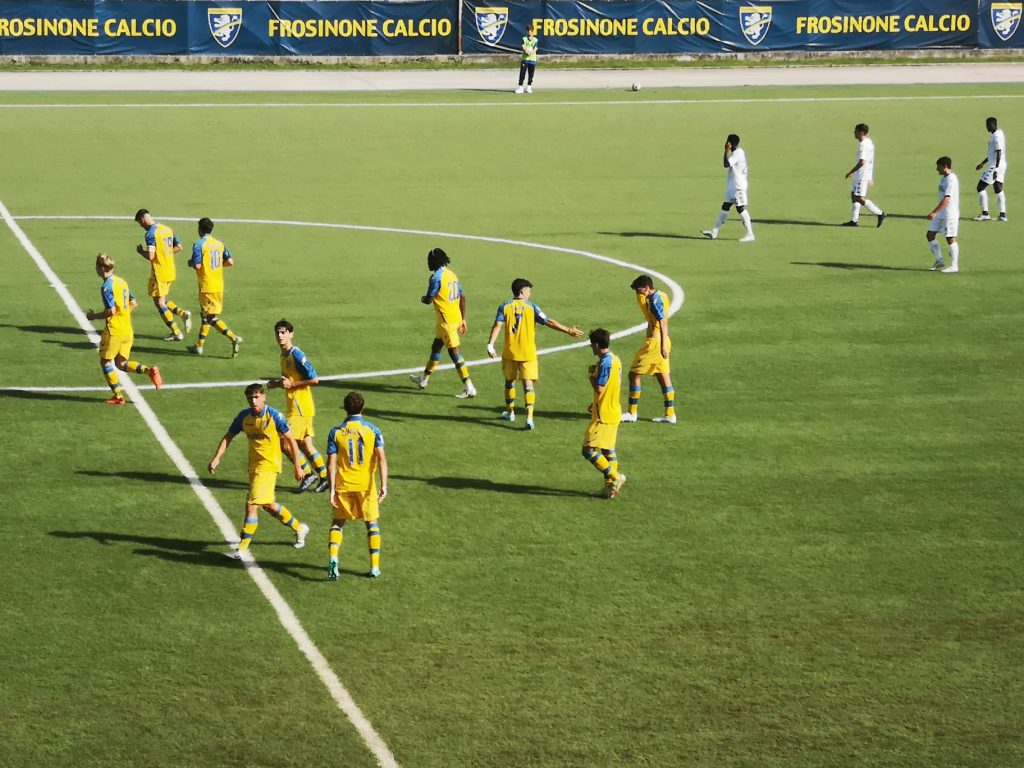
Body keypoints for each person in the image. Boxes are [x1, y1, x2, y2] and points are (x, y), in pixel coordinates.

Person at [208, 382, 309, 559]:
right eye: (250, 398)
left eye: (256, 397)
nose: (253, 401)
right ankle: (299, 528)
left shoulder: (274, 416)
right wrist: (217, 458)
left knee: (251, 505)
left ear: (263, 397)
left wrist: (298, 466)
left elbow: (291, 441)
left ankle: (241, 549)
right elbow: (228, 437)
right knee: (268, 505)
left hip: (269, 466)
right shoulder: (244, 417)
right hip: (254, 467)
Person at [486, 278, 583, 430]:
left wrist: (490, 345)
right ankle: (529, 418)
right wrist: (568, 330)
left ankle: (510, 413)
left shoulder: (504, 306)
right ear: (521, 291)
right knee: (528, 384)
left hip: (510, 352)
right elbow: (548, 322)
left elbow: (498, 325)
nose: (530, 293)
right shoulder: (532, 307)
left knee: (509, 382)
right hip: (528, 353)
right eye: (529, 291)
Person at [326, 391, 388, 581]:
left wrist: (331, 490)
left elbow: (331, 464)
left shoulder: (335, 432)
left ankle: (333, 559)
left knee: (337, 524)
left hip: (343, 484)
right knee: (372, 524)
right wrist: (384, 485)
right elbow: (382, 460)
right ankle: (375, 567)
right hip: (366, 486)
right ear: (363, 408)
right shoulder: (373, 431)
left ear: (345, 408)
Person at [85, 253, 163, 405]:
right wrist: (123, 314)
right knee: (121, 363)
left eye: (96, 266)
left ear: (102, 268)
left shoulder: (106, 287)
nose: (96, 269)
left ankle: (118, 396)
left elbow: (111, 311)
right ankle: (149, 371)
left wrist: (94, 316)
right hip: (127, 329)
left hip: (114, 331)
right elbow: (133, 303)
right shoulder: (122, 282)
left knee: (105, 363)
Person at [268, 319, 330, 494]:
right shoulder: (283, 356)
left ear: (291, 334)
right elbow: (289, 380)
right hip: (295, 406)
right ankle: (325, 477)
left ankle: (308, 474)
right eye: (277, 333)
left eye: (283, 332)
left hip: (300, 407)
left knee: (284, 441)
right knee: (304, 445)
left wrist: (292, 385)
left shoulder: (296, 355)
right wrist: (277, 384)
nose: (280, 336)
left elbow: (314, 379)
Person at [410, 248, 477, 398]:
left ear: (435, 261)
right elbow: (462, 296)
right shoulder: (451, 274)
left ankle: (469, 387)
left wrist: (423, 299)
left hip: (447, 323)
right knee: (436, 347)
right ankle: (424, 379)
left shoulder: (436, 278)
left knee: (455, 354)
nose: (428, 263)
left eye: (429, 260)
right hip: (452, 319)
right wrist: (463, 318)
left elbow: (428, 299)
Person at [620, 275, 675, 425]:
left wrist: (662, 345)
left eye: (639, 290)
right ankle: (670, 414)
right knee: (662, 376)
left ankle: (632, 413)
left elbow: (662, 323)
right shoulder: (662, 295)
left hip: (654, 344)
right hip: (661, 342)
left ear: (646, 287)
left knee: (633, 374)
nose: (638, 293)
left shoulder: (654, 301)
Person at [187, 217, 242, 357]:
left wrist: (190, 263)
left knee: (210, 318)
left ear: (200, 229)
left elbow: (197, 265)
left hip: (207, 286)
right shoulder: (219, 244)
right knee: (206, 315)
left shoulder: (199, 244)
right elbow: (230, 262)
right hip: (218, 285)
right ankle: (199, 345)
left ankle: (233, 338)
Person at [134, 208, 191, 341]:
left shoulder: (150, 234)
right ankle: (182, 314)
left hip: (159, 272)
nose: (141, 226)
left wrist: (141, 252)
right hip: (170, 270)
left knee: (159, 303)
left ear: (142, 219)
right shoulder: (167, 229)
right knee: (159, 300)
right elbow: (179, 247)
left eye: (140, 223)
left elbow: (151, 256)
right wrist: (165, 253)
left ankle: (176, 332)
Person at [582, 328, 626, 499]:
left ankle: (615, 478)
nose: (590, 347)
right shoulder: (616, 359)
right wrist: (594, 403)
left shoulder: (605, 363)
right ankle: (609, 489)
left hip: (603, 416)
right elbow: (611, 387)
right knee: (608, 450)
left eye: (591, 344)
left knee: (588, 450)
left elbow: (600, 388)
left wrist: (591, 376)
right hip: (613, 410)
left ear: (596, 345)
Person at [701, 134, 755, 242]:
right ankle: (714, 232)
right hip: (732, 186)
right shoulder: (736, 153)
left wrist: (726, 151)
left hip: (738, 187)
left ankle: (750, 234)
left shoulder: (738, 153)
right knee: (725, 207)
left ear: (730, 143)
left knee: (740, 209)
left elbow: (726, 164)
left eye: (727, 141)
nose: (726, 143)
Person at [842, 123, 886, 228]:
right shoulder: (868, 142)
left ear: (861, 133)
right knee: (854, 195)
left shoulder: (864, 145)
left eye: (856, 131)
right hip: (861, 175)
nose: (854, 133)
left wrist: (851, 172)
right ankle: (854, 220)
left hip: (861, 176)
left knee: (859, 198)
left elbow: (862, 162)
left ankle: (880, 213)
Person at [927, 156, 961, 274]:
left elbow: (946, 199)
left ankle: (954, 266)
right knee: (930, 235)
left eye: (938, 167)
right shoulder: (944, 178)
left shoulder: (951, 180)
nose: (937, 169)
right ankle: (939, 260)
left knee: (950, 238)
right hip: (941, 214)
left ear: (944, 166)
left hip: (949, 214)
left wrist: (934, 212)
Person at [975, 116, 1008, 222]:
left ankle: (985, 214)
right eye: (986, 125)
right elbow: (993, 153)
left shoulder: (997, 137)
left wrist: (996, 169)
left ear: (994, 125)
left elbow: (998, 152)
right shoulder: (999, 133)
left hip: (995, 166)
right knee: (998, 188)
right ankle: (1002, 215)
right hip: (1001, 164)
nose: (987, 127)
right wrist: (983, 163)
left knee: (980, 187)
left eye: (989, 125)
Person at [514, 25, 538, 95]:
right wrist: (526, 51)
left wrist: (531, 52)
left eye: (530, 30)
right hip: (525, 59)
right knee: (522, 73)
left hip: (532, 59)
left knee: (531, 74)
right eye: (528, 31)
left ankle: (529, 87)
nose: (529, 32)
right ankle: (520, 87)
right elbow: (523, 46)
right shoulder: (524, 39)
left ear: (532, 31)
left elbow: (535, 48)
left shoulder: (535, 40)